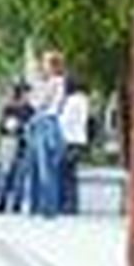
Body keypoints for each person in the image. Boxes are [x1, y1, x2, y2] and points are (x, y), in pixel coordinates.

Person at [27, 50, 67, 218]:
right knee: (43, 166)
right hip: (45, 121)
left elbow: (38, 102)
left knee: (45, 167)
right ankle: (42, 205)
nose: (43, 66)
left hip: (46, 122)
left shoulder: (54, 82)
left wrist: (35, 91)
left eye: (45, 62)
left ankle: (47, 206)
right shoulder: (54, 82)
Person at [0, 81, 33, 214]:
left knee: (18, 173)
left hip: (19, 141)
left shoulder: (29, 109)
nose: (29, 96)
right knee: (8, 172)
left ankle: (13, 202)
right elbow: (2, 125)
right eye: (27, 93)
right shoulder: (11, 107)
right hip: (11, 140)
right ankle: (4, 201)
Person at [58, 81, 91, 215]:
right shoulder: (85, 101)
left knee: (66, 173)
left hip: (70, 140)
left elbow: (64, 121)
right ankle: (72, 204)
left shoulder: (72, 101)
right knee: (72, 173)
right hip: (80, 139)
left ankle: (68, 204)